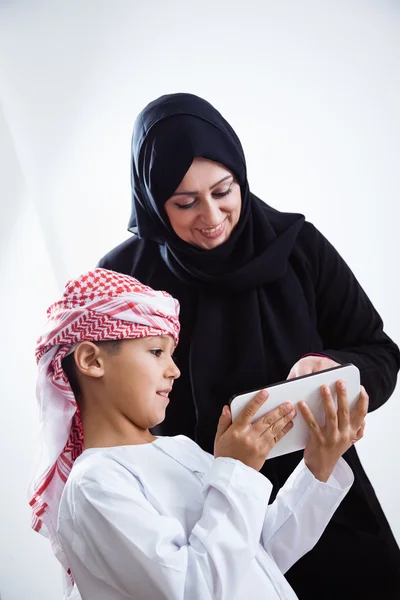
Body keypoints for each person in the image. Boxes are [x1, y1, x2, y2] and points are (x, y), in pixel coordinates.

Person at [98, 92, 400, 599]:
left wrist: (335, 369)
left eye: (223, 190)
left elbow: (379, 352)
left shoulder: (298, 246)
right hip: (207, 525)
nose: (212, 216)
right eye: (185, 202)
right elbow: (106, 405)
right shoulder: (125, 284)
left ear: (240, 175)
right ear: (152, 202)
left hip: (325, 496)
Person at [30, 267, 367, 600]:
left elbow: (253, 556)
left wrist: (318, 467)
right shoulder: (95, 484)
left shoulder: (181, 449)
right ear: (91, 359)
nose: (174, 370)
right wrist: (239, 470)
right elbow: (195, 591)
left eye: (171, 354)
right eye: (156, 352)